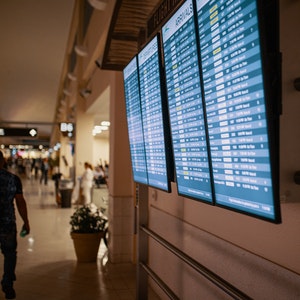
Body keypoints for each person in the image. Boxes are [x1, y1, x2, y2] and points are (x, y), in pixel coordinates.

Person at [0, 151, 30, 299]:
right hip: (7, 224)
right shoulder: (13, 179)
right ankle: (7, 283)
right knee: (10, 254)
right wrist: (26, 222)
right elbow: (20, 202)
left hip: (7, 223)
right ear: (3, 161)